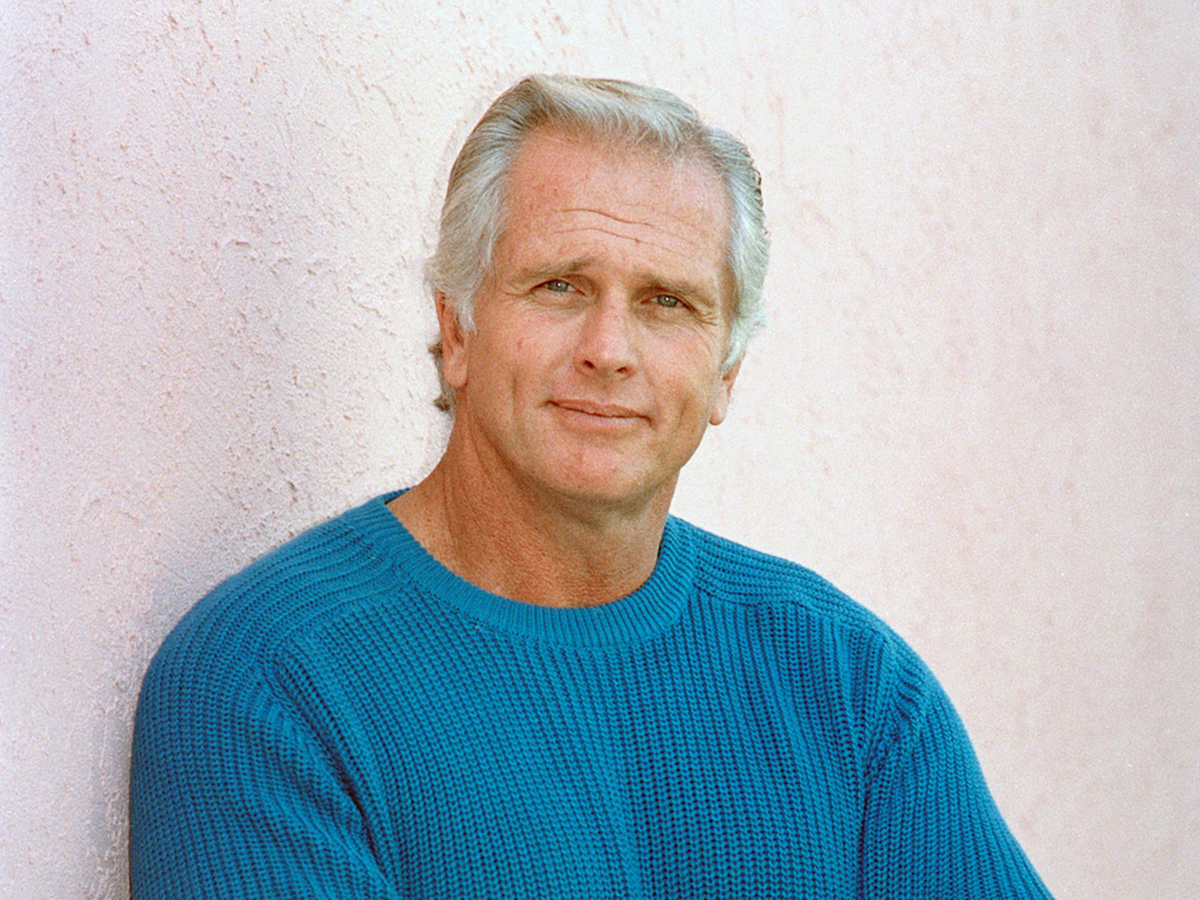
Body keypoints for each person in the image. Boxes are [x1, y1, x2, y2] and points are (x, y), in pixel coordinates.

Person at [130, 75, 1054, 898]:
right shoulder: (270, 682)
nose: (609, 350)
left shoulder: (848, 684)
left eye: (667, 302)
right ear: (457, 330)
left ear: (727, 371)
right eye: (561, 287)